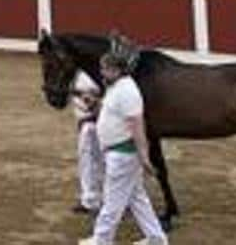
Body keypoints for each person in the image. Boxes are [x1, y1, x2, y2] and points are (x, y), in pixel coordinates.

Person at [82, 37, 167, 245]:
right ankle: (156, 239)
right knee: (137, 199)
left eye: (106, 69)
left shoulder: (128, 91)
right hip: (119, 153)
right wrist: (95, 104)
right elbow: (112, 110)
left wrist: (144, 156)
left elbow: (137, 126)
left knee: (112, 201)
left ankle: (102, 240)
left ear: (118, 70)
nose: (102, 73)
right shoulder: (117, 87)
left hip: (123, 155)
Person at [70, 67, 104, 215]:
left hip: (103, 123)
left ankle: (114, 202)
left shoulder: (102, 68)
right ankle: (90, 200)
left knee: (107, 162)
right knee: (87, 161)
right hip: (85, 123)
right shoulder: (76, 72)